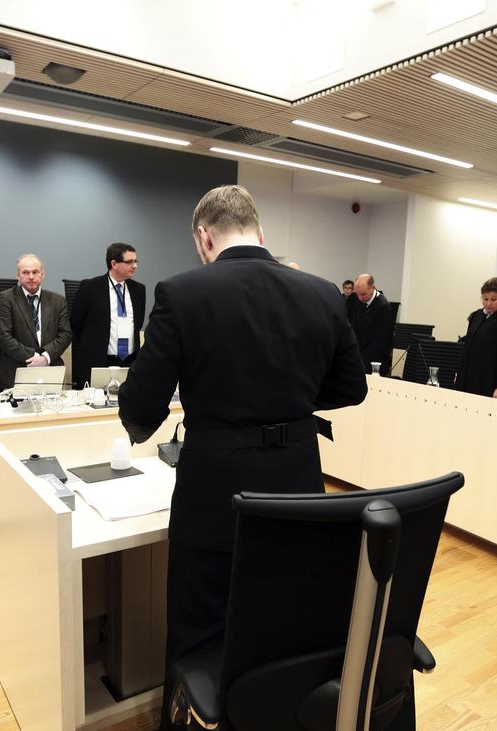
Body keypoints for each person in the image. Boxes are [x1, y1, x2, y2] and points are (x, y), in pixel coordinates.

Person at [117, 185, 366, 728]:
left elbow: (140, 403)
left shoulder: (181, 293)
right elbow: (353, 386)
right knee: (283, 620)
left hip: (214, 497)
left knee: (198, 630)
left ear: (204, 237)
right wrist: (292, 405)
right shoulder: (323, 292)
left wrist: (148, 422)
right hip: (299, 493)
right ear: (260, 232)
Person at [70, 243, 145, 389]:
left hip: (130, 361)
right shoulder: (90, 287)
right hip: (100, 360)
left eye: (136, 261)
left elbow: (138, 323)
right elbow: (76, 323)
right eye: (129, 262)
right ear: (114, 264)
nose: (135, 266)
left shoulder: (138, 289)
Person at [0, 253, 71, 391]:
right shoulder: (5, 299)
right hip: (17, 372)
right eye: (25, 272)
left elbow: (65, 334)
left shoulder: (58, 301)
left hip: (50, 372)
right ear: (18, 276)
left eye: (35, 272)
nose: (31, 276)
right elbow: (3, 337)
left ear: (42, 275)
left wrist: (45, 357)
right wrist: (33, 357)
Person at [346, 273, 395, 375]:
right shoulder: (353, 299)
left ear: (373, 288)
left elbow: (380, 344)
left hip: (373, 363)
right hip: (355, 357)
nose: (360, 298)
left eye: (363, 294)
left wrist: (359, 363)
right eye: (357, 293)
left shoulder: (384, 308)